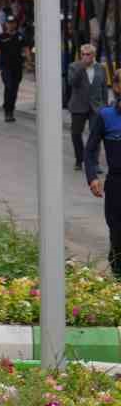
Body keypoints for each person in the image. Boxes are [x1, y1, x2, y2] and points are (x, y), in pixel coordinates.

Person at [83, 70, 121, 275]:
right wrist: (92, 178)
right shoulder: (105, 116)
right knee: (117, 237)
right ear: (115, 87)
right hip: (116, 184)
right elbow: (89, 151)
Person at [67, 44, 107, 171]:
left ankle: (94, 163)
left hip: (96, 107)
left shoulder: (100, 68)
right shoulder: (74, 66)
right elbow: (72, 82)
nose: (85, 57)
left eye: (88, 54)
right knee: (76, 133)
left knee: (95, 134)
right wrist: (81, 68)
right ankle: (79, 159)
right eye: (83, 54)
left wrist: (105, 106)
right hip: (78, 105)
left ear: (93, 55)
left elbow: (104, 88)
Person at [0, 16, 28, 122]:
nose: (11, 25)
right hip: (5, 67)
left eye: (13, 23)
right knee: (9, 87)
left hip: (17, 67)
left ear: (15, 24)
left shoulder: (20, 36)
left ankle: (10, 107)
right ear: (6, 24)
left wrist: (28, 61)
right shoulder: (1, 37)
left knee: (14, 89)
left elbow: (25, 49)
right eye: (9, 23)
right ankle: (8, 111)